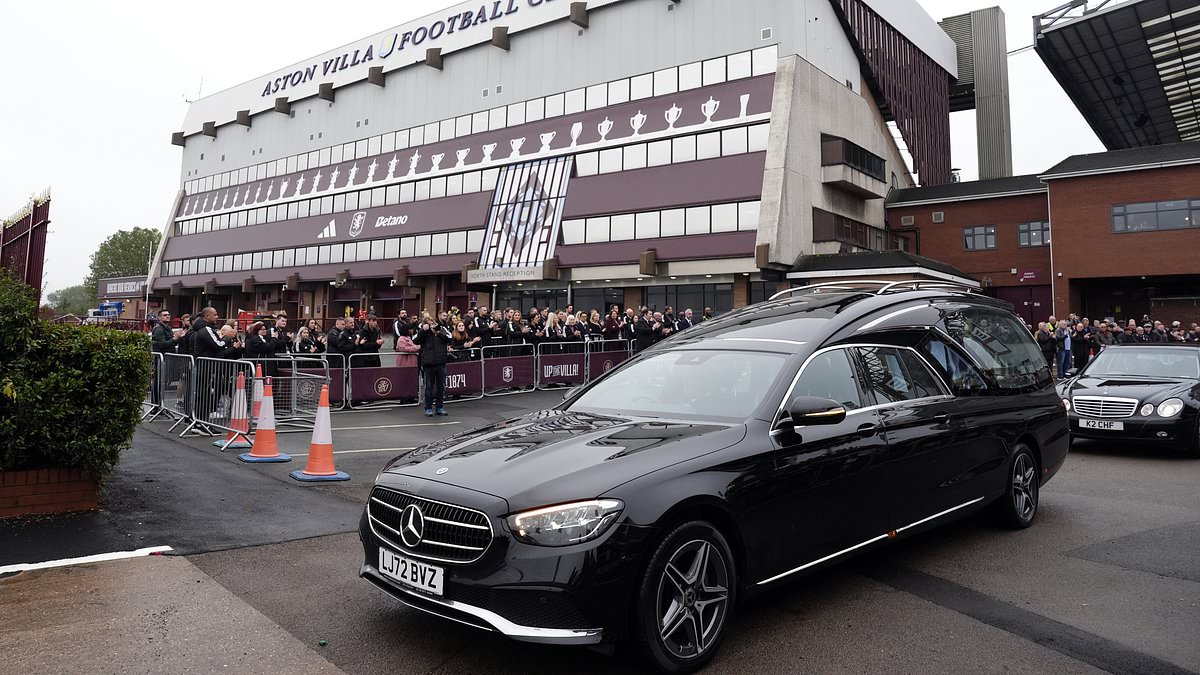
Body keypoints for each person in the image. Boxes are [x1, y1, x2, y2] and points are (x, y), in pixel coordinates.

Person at [414, 314, 452, 416]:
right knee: (429, 387)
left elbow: (450, 338)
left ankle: (439, 407)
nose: (431, 324)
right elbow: (415, 340)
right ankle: (428, 408)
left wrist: (438, 333)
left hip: (441, 362)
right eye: (428, 322)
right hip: (428, 364)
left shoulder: (441, 328)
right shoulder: (423, 331)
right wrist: (423, 330)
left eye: (432, 322)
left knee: (441, 387)